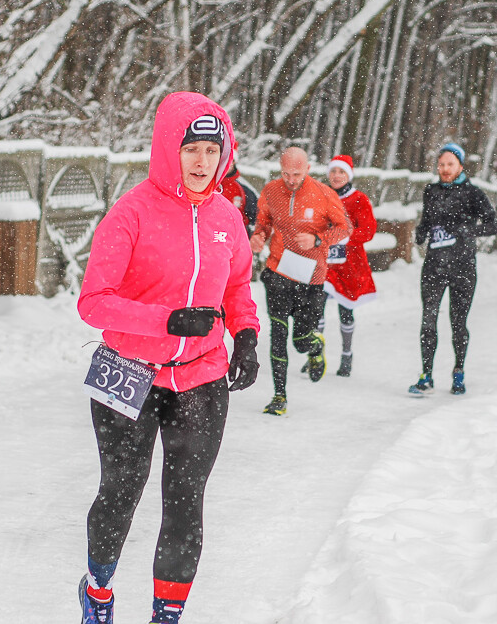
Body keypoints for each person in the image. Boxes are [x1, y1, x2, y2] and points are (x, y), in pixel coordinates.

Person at [76, 92, 261, 624]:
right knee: (120, 491)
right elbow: (94, 302)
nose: (202, 162)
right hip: (128, 371)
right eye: (191, 149)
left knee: (185, 501)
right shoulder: (131, 212)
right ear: (167, 150)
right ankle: (98, 592)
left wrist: (246, 334)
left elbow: (238, 285)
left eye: (212, 150)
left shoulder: (227, 217)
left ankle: (167, 615)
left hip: (202, 377)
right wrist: (167, 321)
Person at [250, 146, 351, 415]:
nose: (291, 180)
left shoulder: (324, 194)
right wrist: (259, 236)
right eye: (286, 173)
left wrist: (318, 239)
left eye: (296, 174)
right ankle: (279, 396)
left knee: (301, 341)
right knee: (278, 334)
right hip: (278, 272)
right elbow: (264, 222)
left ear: (308, 169)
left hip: (310, 277)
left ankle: (315, 346)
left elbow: (345, 228)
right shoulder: (271, 190)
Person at [409, 142, 497, 396]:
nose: (445, 169)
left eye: (450, 164)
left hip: (463, 267)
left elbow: (493, 225)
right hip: (434, 266)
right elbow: (427, 219)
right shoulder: (431, 191)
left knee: (458, 323)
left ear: (460, 165)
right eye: (441, 164)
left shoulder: (473, 194)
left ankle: (459, 371)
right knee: (428, 320)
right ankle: (426, 375)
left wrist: (468, 230)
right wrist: (421, 232)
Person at [321, 155, 378, 377]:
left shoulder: (359, 199)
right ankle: (316, 355)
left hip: (348, 264)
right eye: (333, 171)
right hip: (324, 263)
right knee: (316, 309)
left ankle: (347, 354)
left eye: (341, 172)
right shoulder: (321, 195)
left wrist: (346, 237)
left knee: (346, 310)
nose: (336, 176)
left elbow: (369, 230)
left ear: (349, 175)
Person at [218, 146, 258, 237]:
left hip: (235, 237)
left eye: (230, 161)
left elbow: (254, 217)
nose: (226, 164)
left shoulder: (243, 189)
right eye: (223, 160)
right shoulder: (206, 184)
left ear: (234, 162)